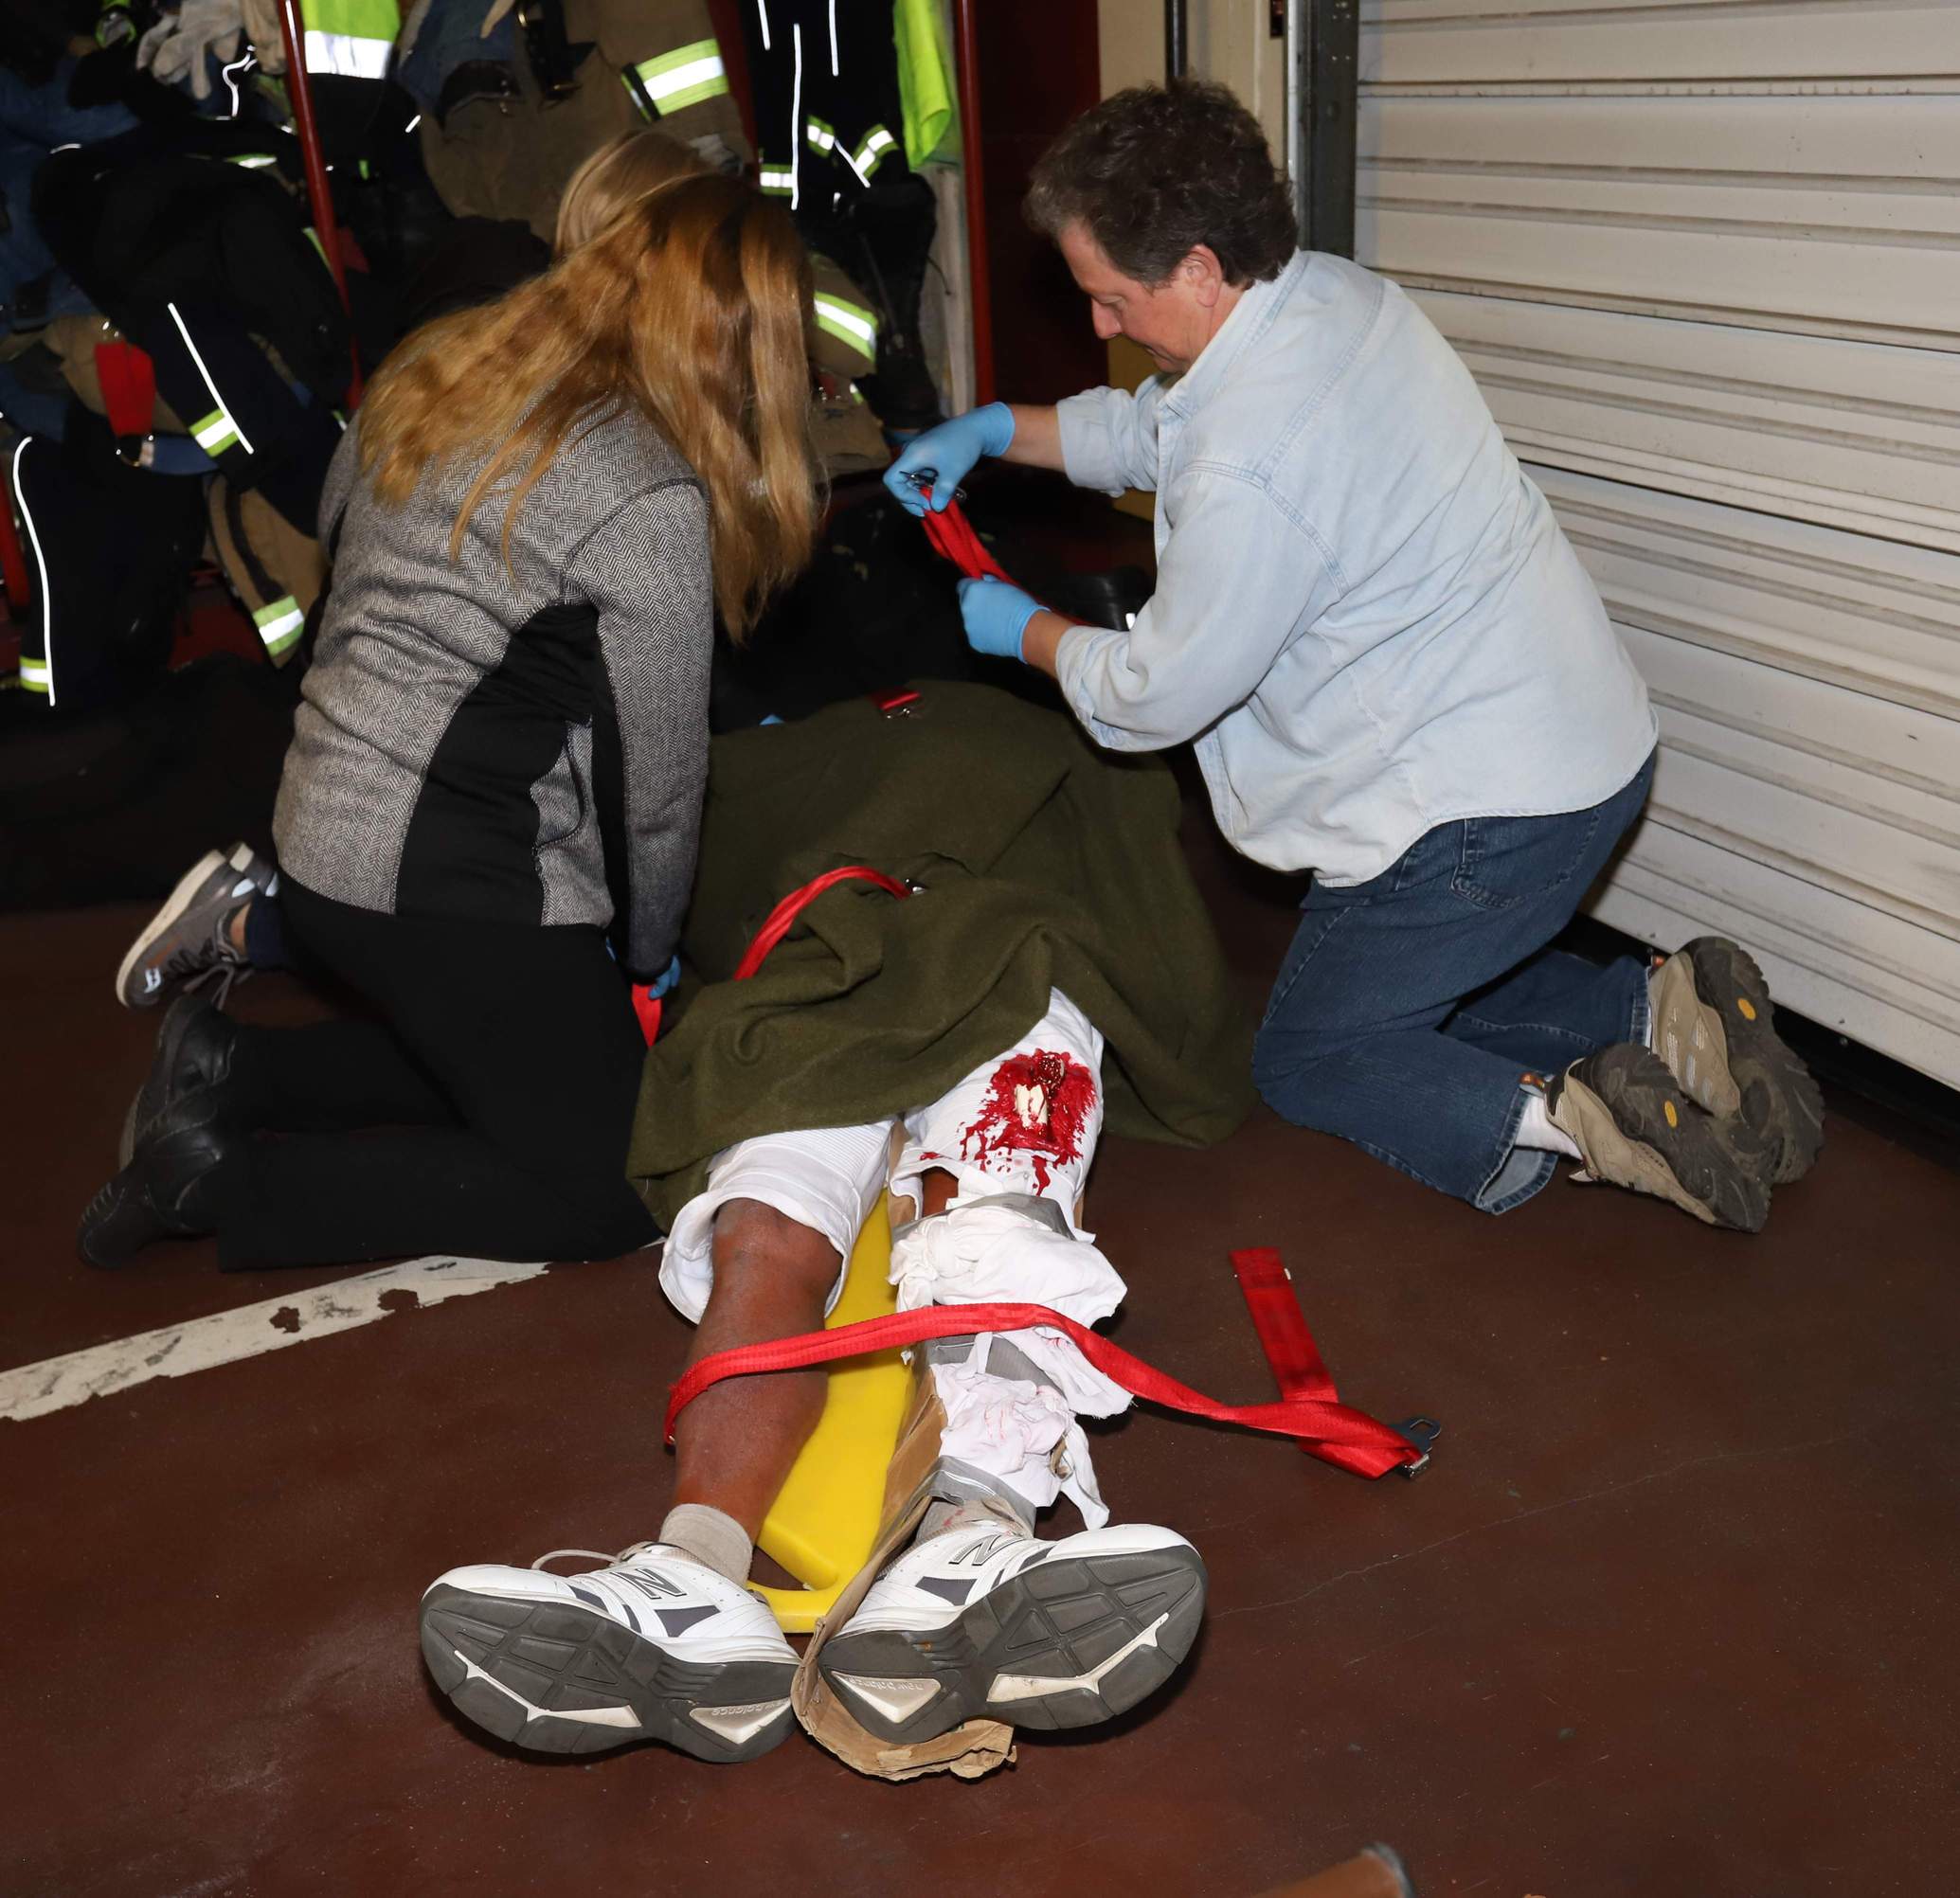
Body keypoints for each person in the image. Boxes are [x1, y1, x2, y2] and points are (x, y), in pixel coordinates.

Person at [883, 80, 1823, 1234]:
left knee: (1313, 1053)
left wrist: (1021, 628)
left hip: (1480, 818)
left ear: (1195, 268)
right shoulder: (1329, 297)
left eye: (1111, 298)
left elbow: (1151, 694)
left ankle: (1579, 1121)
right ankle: (1664, 1015)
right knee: (1401, 979)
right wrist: (995, 431)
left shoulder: (1251, 463)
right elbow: (1158, 429)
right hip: (1582, 750)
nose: (1101, 328)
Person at [416, 680, 1251, 1765]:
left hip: (988, 961)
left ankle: (948, 1546)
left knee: (948, 1221)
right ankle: (702, 1580)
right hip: (839, 977)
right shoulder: (883, 743)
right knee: (785, 1228)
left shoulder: (920, 735)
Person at [78, 168, 818, 1271]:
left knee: (533, 1054)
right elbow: (658, 788)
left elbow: (339, 545)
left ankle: (234, 1066)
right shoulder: (649, 491)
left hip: (316, 831)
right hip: (448, 882)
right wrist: (646, 949)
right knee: (615, 1183)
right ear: (737, 343)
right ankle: (222, 1181)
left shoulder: (440, 365)